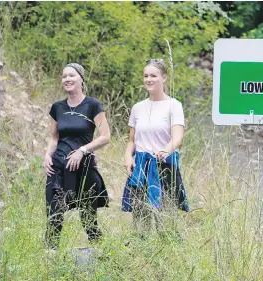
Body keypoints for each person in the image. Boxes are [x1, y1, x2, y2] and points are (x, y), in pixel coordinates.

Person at [43, 63, 111, 251]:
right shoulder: (57, 107)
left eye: (71, 75)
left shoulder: (92, 105)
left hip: (84, 168)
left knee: (88, 218)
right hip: (57, 168)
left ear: (81, 79)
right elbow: (54, 137)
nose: (67, 79)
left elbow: (105, 137)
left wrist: (82, 150)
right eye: (64, 76)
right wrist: (47, 155)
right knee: (53, 214)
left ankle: (100, 255)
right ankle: (50, 257)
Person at [121, 58, 189, 235]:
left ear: (164, 78)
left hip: (164, 166)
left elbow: (177, 137)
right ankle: (140, 257)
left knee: (165, 222)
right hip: (141, 166)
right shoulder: (138, 108)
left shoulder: (174, 105)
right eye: (145, 76)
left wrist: (165, 151)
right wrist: (128, 157)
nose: (148, 79)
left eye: (153, 75)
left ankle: (168, 257)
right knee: (140, 221)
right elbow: (132, 140)